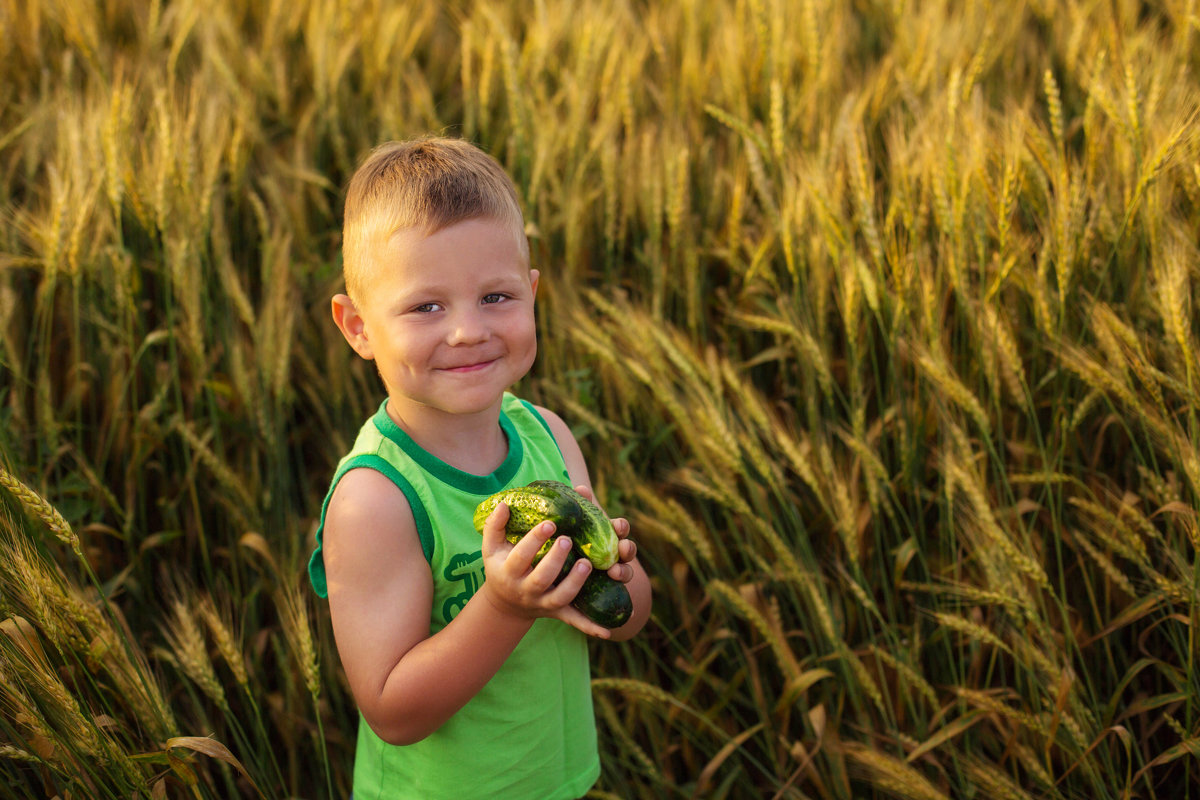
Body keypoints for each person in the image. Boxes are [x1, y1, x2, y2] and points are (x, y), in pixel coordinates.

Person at [307, 136, 652, 799]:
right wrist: (504, 605)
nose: (467, 330)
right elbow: (392, 709)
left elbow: (627, 617)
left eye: (495, 297)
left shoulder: (547, 437)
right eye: (425, 307)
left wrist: (617, 570)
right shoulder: (376, 499)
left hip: (559, 783)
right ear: (357, 326)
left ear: (531, 294)